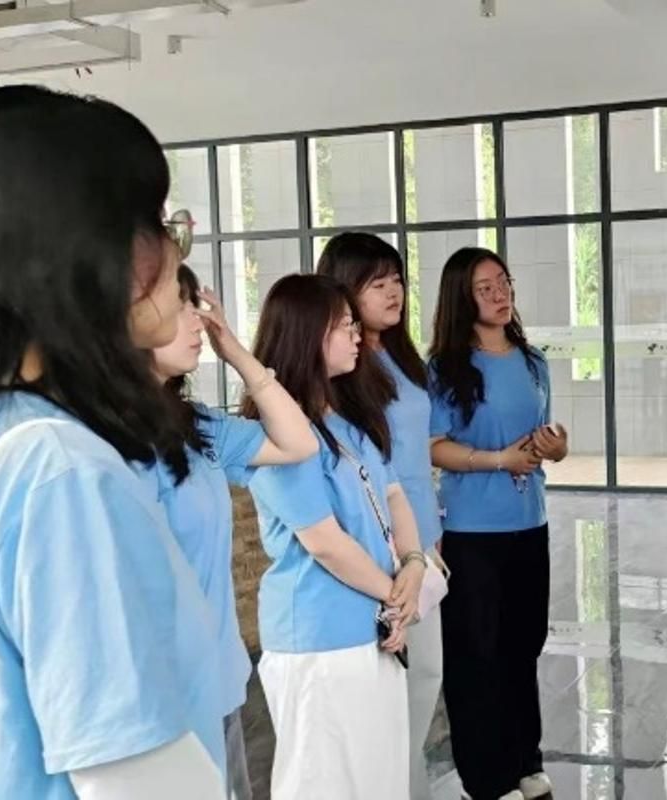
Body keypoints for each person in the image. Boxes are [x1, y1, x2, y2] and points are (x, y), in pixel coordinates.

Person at [0, 86, 228, 799]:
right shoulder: (55, 470)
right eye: (157, 222)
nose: (174, 250)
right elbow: (138, 780)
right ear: (83, 250)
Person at [243, 274, 426, 800]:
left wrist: (413, 564)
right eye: (344, 326)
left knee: (378, 781)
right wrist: (395, 597)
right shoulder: (280, 434)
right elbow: (323, 542)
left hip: (374, 627)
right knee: (323, 784)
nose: (356, 335)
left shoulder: (349, 419)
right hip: (319, 638)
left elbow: (393, 495)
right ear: (307, 335)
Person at [147, 264, 318, 800]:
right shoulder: (102, 442)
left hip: (218, 678)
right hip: (161, 697)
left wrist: (237, 354)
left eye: (194, 305)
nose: (197, 320)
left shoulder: (195, 424)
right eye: (179, 306)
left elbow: (297, 442)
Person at [428, 248, 568, 800]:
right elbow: (433, 447)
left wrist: (555, 447)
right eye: (484, 288)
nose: (499, 294)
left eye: (503, 282)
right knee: (476, 655)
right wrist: (496, 460)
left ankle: (524, 761)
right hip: (471, 530)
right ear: (462, 299)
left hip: (529, 521)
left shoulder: (533, 362)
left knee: (522, 645)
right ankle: (485, 779)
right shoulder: (445, 369)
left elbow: (547, 437)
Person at [316, 232, 445, 800]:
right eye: (377, 283)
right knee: (392, 690)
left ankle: (408, 786)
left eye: (397, 279)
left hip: (421, 540)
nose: (394, 292)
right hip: (377, 550)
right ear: (345, 290)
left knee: (426, 677)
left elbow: (414, 459)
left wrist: (428, 543)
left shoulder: (401, 356)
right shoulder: (342, 368)